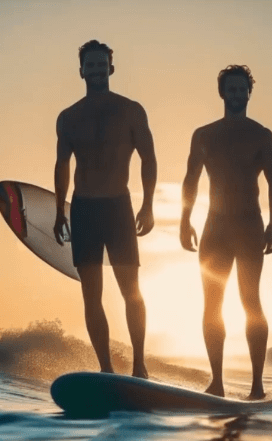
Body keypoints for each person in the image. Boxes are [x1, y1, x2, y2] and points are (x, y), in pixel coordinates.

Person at [53, 40, 157, 379]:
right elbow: (61, 166)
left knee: (131, 290)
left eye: (102, 65)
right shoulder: (68, 117)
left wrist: (148, 205)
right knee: (91, 294)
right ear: (81, 70)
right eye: (90, 65)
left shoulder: (131, 110)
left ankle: (139, 364)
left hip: (118, 208)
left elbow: (149, 158)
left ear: (111, 68)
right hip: (83, 209)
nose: (96, 70)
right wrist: (59, 211)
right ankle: (107, 368)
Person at [180, 65, 272, 399]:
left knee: (250, 301)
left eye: (242, 89)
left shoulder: (262, 135)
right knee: (212, 304)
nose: (237, 95)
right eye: (231, 89)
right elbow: (191, 180)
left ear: (249, 93)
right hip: (215, 228)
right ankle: (217, 381)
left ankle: (257, 385)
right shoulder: (203, 135)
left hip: (250, 226)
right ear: (222, 93)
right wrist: (184, 220)